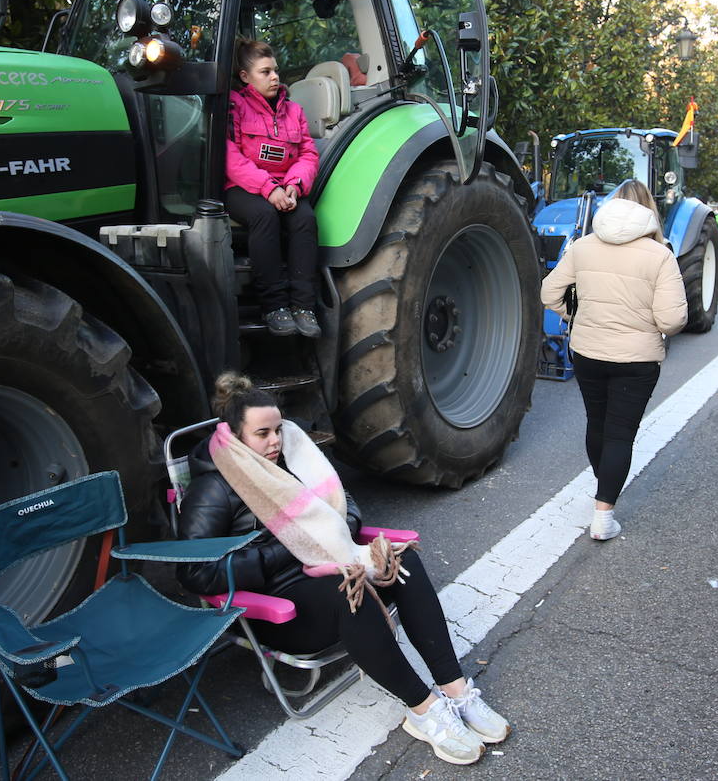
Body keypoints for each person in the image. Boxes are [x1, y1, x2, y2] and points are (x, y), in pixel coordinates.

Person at [176, 373, 510, 766]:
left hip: (329, 566)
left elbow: (344, 504)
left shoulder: (294, 459)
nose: (275, 442)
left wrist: (334, 534)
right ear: (234, 436)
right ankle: (424, 711)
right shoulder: (212, 488)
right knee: (347, 593)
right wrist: (288, 550)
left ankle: (455, 689)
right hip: (275, 602)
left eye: (279, 430)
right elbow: (195, 573)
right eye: (262, 433)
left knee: (403, 562)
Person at [539, 181, 687, 540]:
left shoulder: (584, 247)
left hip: (588, 352)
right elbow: (672, 320)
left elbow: (549, 293)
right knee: (621, 433)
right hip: (637, 360)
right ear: (648, 212)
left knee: (597, 423)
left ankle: (604, 482)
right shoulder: (661, 254)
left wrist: (576, 315)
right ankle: (604, 516)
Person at [226, 39, 322, 338]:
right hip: (243, 186)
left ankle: (304, 307)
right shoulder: (234, 105)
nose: (274, 77)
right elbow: (230, 156)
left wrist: (294, 185)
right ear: (245, 76)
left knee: (305, 219)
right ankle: (274, 306)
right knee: (264, 216)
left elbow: (308, 154)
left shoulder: (294, 111)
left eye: (275, 71)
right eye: (265, 72)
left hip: (286, 185)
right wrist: (268, 188)